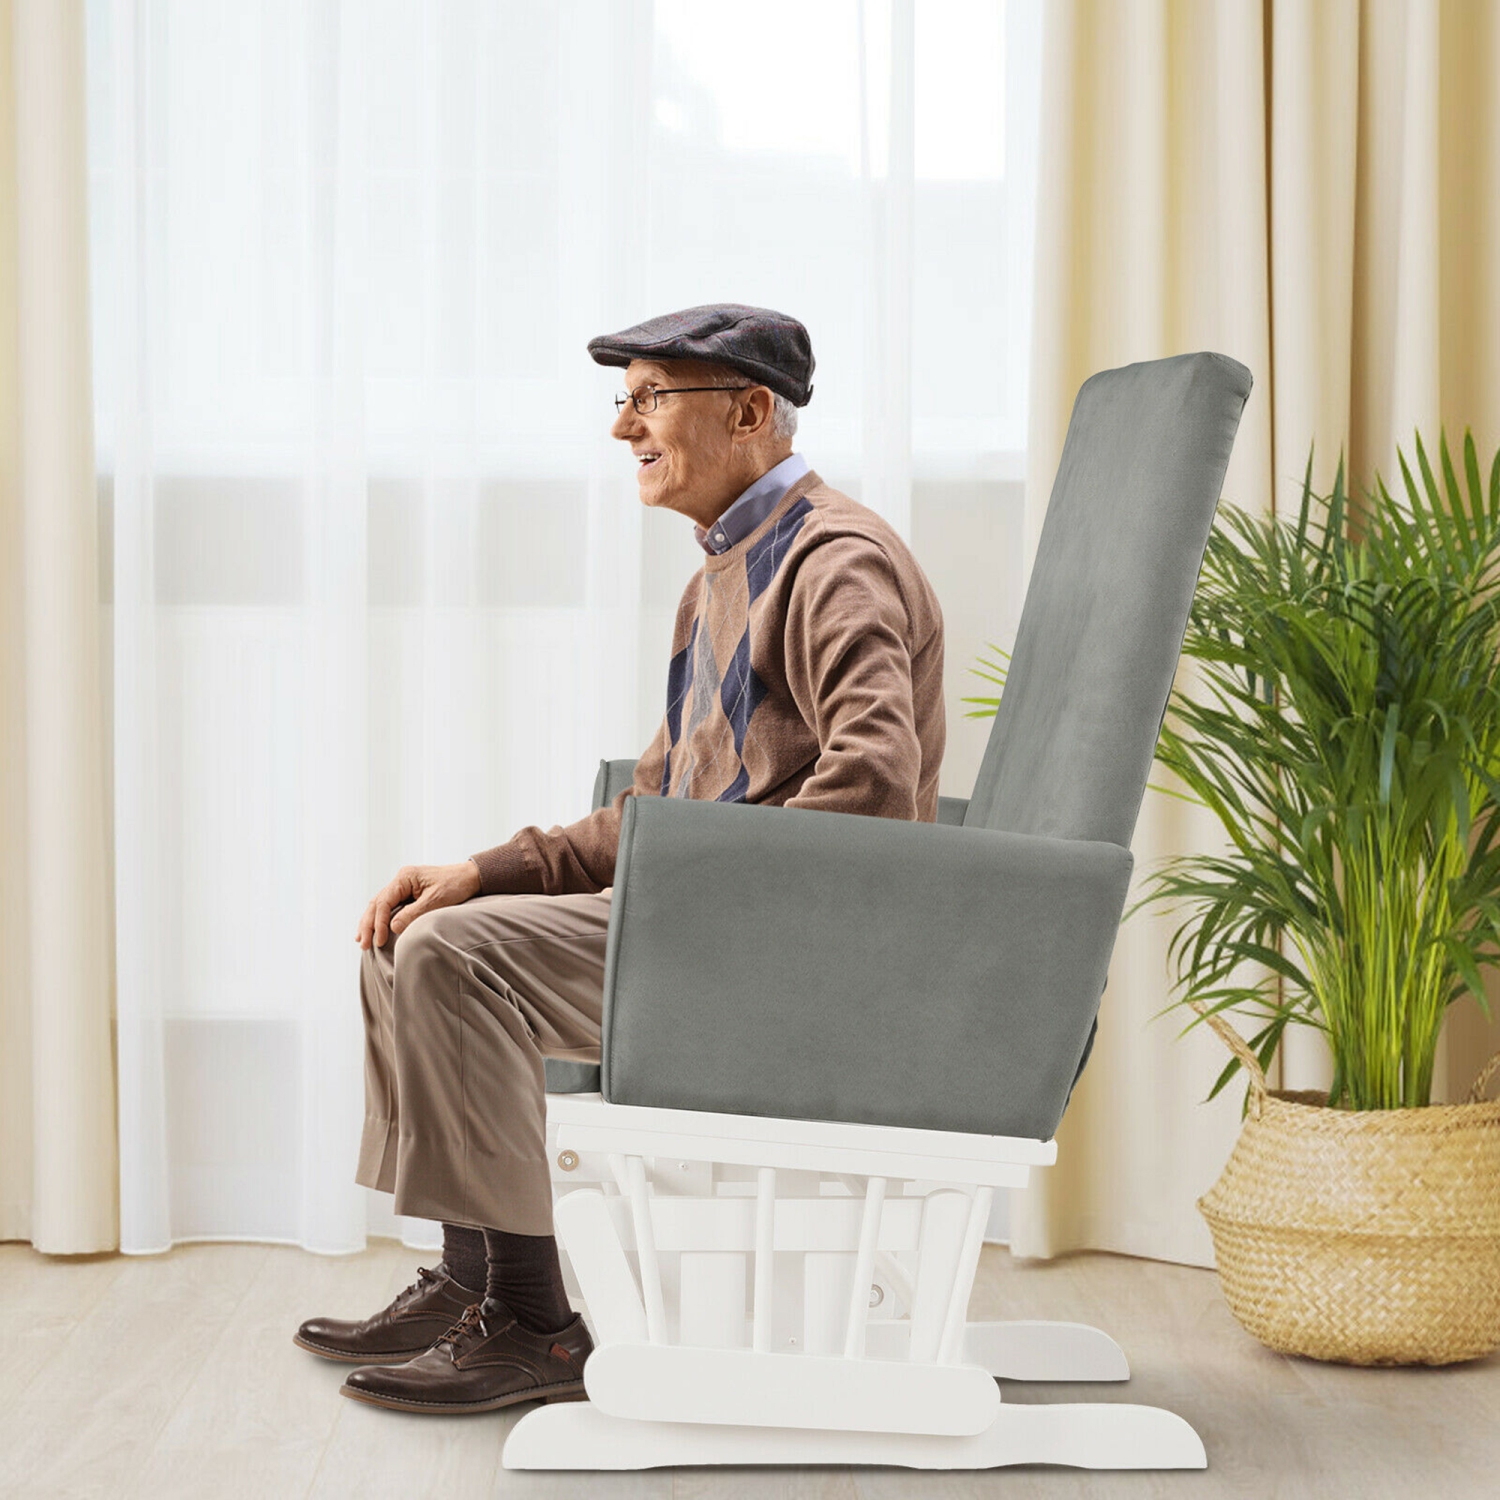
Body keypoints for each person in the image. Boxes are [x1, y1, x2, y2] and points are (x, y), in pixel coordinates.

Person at [293, 302, 947, 1414]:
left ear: (750, 412)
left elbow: (877, 789)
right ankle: (473, 1282)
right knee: (409, 936)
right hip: (710, 923)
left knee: (455, 962)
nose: (622, 428)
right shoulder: (719, 575)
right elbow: (650, 805)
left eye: (650, 399)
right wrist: (481, 871)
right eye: (623, 399)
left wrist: (693, 885)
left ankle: (537, 1329)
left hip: (786, 954)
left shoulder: (835, 562)